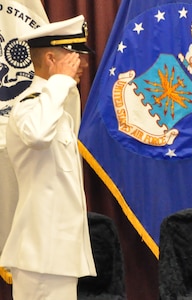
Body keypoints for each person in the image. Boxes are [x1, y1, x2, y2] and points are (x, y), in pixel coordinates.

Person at [0, 15, 96, 300]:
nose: (84, 64)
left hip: (57, 252)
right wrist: (58, 84)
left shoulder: (56, 109)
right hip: (41, 252)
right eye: (75, 57)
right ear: (52, 59)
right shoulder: (29, 106)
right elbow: (38, 136)